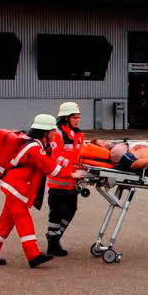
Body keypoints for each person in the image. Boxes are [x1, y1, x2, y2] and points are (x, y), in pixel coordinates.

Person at [0, 113, 76, 268]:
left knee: (5, 221)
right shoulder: (34, 148)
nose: (54, 133)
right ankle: (33, 255)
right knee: (23, 220)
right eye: (52, 131)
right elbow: (50, 168)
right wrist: (72, 174)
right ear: (45, 132)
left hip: (15, 187)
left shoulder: (34, 144)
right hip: (17, 189)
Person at [45, 101, 86, 257]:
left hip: (71, 182)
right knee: (55, 214)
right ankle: (53, 244)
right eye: (74, 117)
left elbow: (80, 153)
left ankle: (54, 238)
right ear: (65, 118)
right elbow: (56, 156)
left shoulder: (78, 135)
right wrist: (72, 168)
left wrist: (82, 166)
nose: (77, 120)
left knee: (70, 210)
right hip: (58, 182)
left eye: (78, 117)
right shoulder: (57, 134)